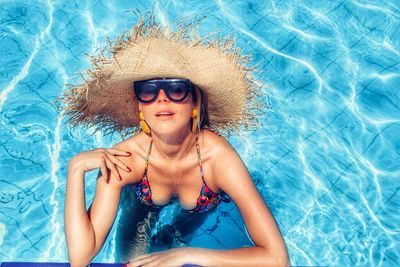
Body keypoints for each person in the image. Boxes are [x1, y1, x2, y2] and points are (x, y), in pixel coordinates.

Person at [59, 13, 289, 267]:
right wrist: (75, 168)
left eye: (176, 89)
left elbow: (277, 259)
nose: (162, 99)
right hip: (141, 202)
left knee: (175, 238)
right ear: (140, 107)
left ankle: (173, 237)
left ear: (194, 102)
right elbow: (80, 258)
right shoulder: (126, 159)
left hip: (200, 199)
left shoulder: (217, 158)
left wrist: (188, 254)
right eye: (148, 91)